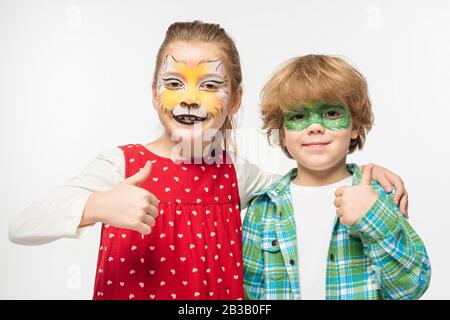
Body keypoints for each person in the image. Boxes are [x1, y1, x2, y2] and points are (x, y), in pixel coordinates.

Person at [9, 22, 409, 300]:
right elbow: (21, 226)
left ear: (234, 99)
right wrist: (94, 206)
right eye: (173, 84)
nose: (189, 98)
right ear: (153, 94)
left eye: (211, 85)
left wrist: (368, 173)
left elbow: (307, 177)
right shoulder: (120, 165)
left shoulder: (239, 174)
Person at [242, 54, 431, 300]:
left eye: (331, 113)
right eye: (299, 116)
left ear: (355, 126)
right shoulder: (263, 208)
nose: (315, 127)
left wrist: (373, 218)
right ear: (282, 132)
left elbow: (410, 288)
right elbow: (250, 293)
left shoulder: (378, 196)